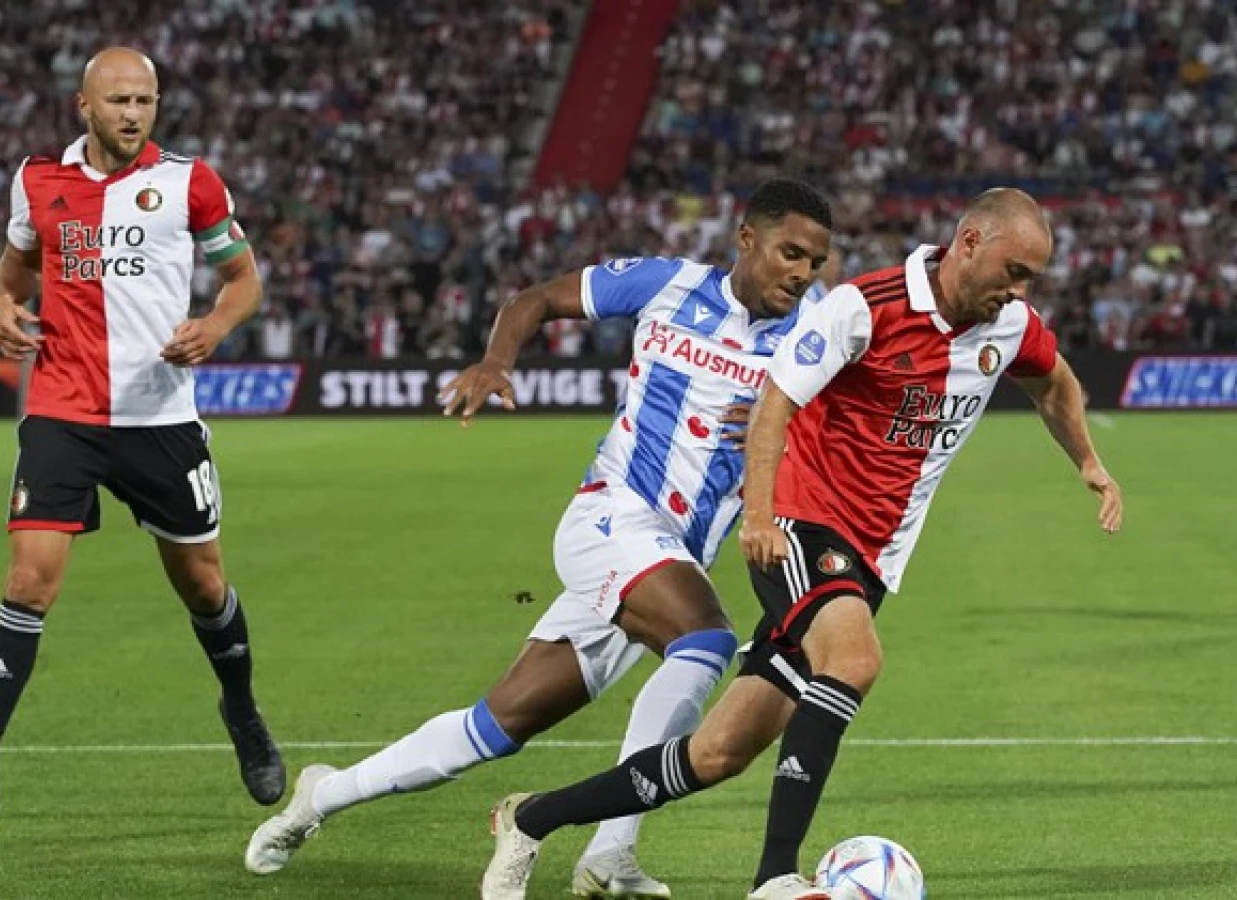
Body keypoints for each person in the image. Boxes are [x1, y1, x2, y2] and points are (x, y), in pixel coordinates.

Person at [479, 188, 1124, 900]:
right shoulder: (864, 306)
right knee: (854, 659)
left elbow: (1054, 383)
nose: (1021, 289)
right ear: (969, 242)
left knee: (720, 752)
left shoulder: (1012, 327)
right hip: (799, 522)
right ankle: (776, 879)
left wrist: (1089, 463)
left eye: (1032, 278)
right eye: (1015, 270)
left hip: (872, 557)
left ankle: (531, 819)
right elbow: (775, 401)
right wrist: (759, 514)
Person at [245, 179, 834, 899]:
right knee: (706, 642)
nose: (803, 273)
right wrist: (498, 362)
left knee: (496, 726)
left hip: (668, 559)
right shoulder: (669, 285)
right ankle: (605, 846)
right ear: (747, 239)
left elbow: (842, 429)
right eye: (791, 253)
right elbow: (533, 301)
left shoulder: (814, 335)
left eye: (816, 261)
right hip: (610, 519)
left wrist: (796, 429)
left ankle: (322, 797)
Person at [0, 48, 281, 833]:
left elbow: (245, 277)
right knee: (28, 582)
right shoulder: (38, 182)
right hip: (63, 414)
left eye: (145, 100)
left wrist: (215, 326)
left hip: (160, 418)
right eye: (119, 100)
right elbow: (18, 264)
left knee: (202, 586)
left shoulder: (190, 182)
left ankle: (242, 710)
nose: (133, 113)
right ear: (83, 107)